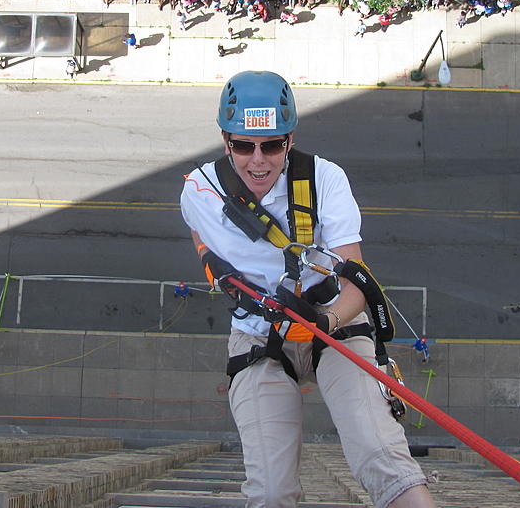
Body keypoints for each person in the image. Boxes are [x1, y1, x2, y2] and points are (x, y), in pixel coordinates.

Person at [180, 71, 435, 508]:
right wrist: (213, 267)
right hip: (260, 335)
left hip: (334, 323)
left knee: (384, 460)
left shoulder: (324, 179)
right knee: (271, 491)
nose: (258, 161)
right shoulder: (200, 192)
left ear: (290, 139)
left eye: (272, 145)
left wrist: (325, 320)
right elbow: (199, 234)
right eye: (243, 145)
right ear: (225, 142)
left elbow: (355, 277)